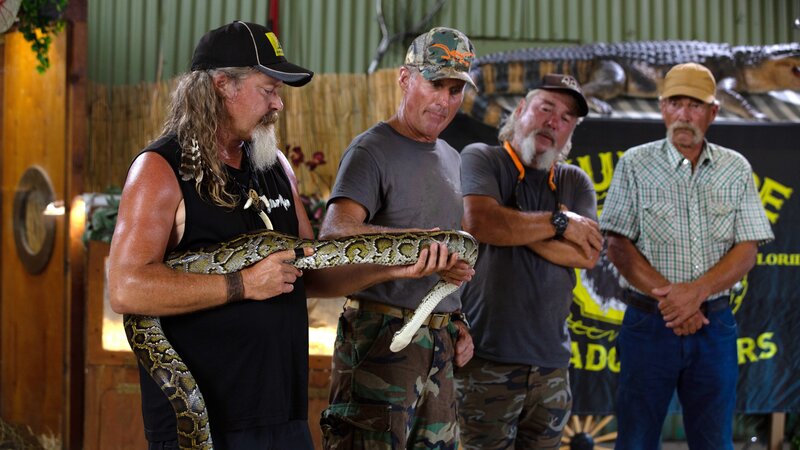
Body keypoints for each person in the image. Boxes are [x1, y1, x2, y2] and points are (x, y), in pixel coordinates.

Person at [107, 21, 448, 450]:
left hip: (283, 416)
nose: (278, 104)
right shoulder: (160, 169)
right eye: (268, 89)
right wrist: (242, 284)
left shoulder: (275, 167)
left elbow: (313, 270)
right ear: (221, 86)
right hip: (206, 426)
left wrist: (397, 265)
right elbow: (126, 287)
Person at [318, 27, 478, 449]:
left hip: (438, 342)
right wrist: (414, 246)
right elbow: (335, 234)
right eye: (435, 84)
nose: (445, 101)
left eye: (455, 90)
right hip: (381, 335)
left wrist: (456, 318)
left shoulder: (451, 157)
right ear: (405, 79)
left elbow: (446, 259)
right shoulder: (371, 150)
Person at [600, 63, 774, 449]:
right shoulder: (634, 164)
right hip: (649, 323)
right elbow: (617, 245)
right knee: (636, 440)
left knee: (714, 441)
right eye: (675, 103)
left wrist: (695, 294)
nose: (683, 114)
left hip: (715, 325)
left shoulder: (735, 168)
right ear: (662, 107)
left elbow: (747, 249)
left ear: (713, 112)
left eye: (695, 105)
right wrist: (675, 303)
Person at [455, 74, 603, 449]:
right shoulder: (482, 158)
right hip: (485, 359)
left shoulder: (575, 181)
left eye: (566, 118)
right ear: (521, 110)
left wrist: (516, 225)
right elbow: (481, 222)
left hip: (552, 366)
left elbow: (587, 255)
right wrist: (560, 223)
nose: (553, 122)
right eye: (546, 108)